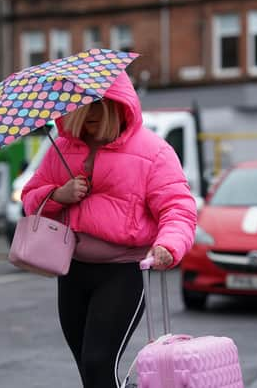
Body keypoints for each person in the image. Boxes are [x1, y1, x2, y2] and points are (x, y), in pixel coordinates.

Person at [21, 71, 196, 388]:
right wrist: (58, 195)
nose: (88, 114)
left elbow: (178, 208)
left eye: (98, 104)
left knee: (98, 363)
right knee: (89, 372)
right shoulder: (61, 147)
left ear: (118, 105)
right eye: (81, 105)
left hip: (122, 273)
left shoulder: (154, 151)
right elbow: (30, 198)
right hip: (72, 272)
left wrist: (169, 246)